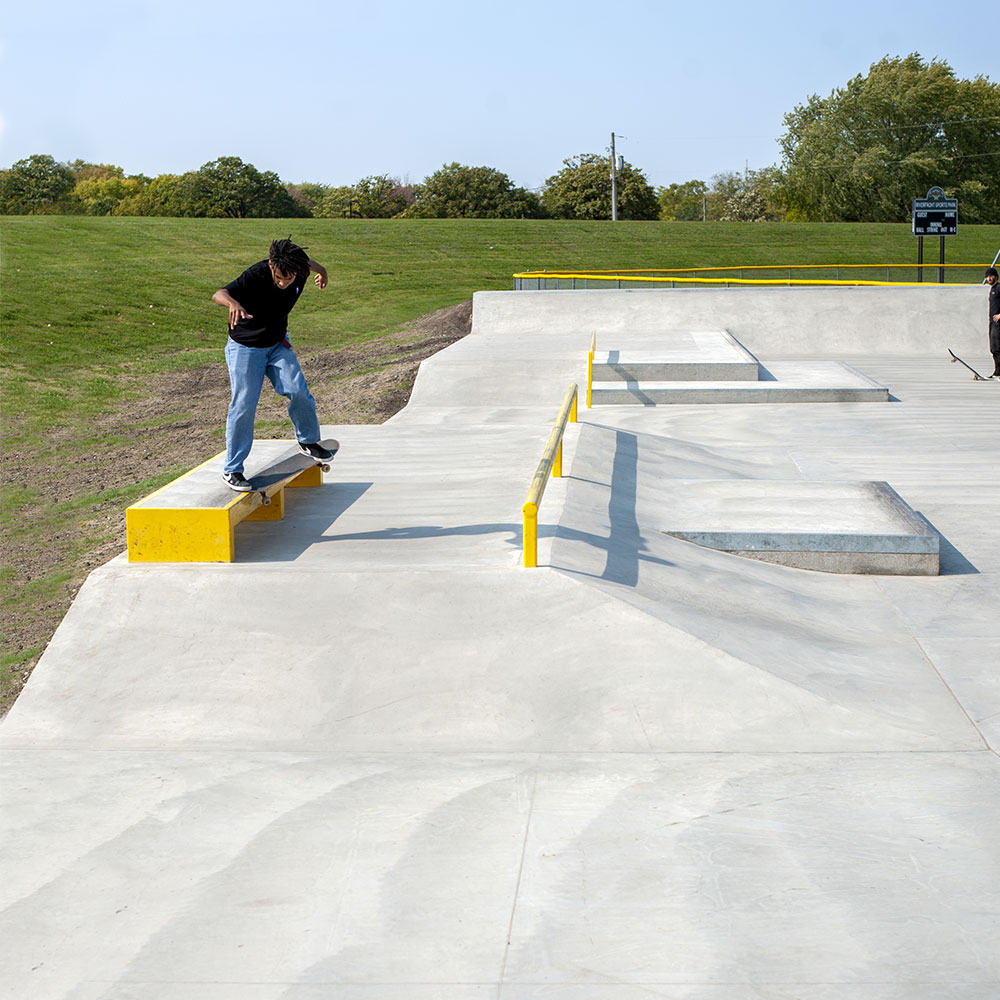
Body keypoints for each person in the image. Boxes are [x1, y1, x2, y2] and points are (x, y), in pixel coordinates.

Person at [212, 237, 336, 491]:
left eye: (288, 279)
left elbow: (311, 263)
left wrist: (322, 272)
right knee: (244, 404)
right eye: (279, 277)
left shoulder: (298, 266)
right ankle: (232, 470)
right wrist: (233, 303)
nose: (283, 283)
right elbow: (219, 294)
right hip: (245, 348)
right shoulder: (256, 274)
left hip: (278, 344)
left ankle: (308, 441)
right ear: (271, 265)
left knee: (298, 390)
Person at [987, 267, 1000, 379]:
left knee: (999, 348)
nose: (989, 278)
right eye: (987, 276)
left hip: (998, 323)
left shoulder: (999, 288)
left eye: (991, 276)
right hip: (992, 323)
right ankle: (997, 372)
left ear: (996, 276)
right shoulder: (992, 289)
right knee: (993, 348)